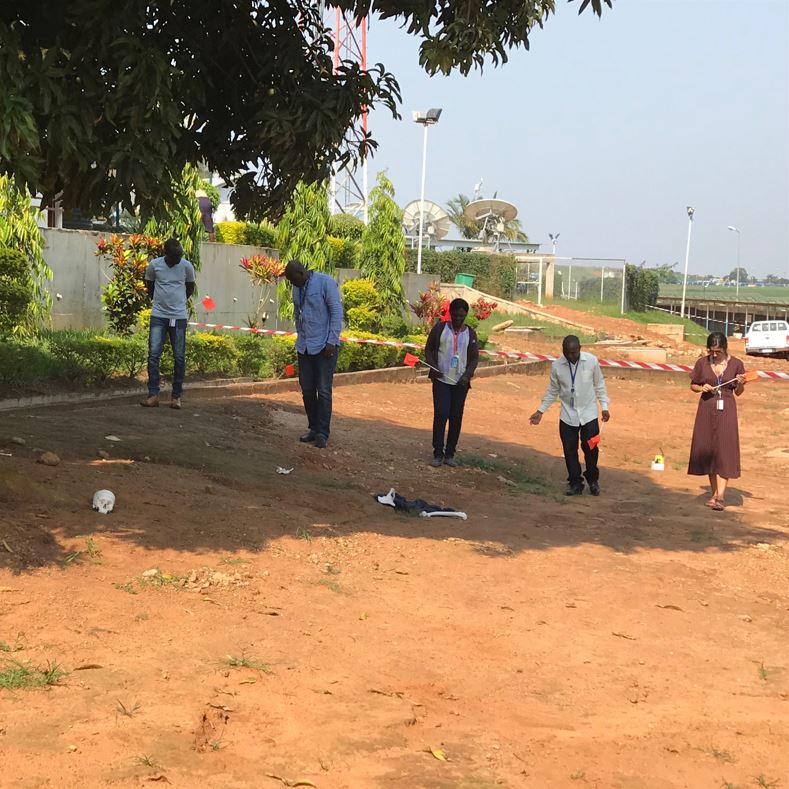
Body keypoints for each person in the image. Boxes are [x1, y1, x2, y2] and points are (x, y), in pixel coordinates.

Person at [529, 335, 610, 496]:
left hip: (589, 413)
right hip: (568, 414)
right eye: (568, 353)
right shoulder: (557, 366)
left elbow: (599, 385)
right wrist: (540, 411)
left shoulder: (592, 361)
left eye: (574, 352)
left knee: (590, 448)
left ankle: (593, 480)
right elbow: (553, 390)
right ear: (563, 351)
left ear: (580, 348)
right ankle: (575, 483)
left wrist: (605, 407)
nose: (571, 357)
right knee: (569, 450)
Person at [284, 259, 343, 449]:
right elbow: (297, 313)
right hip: (305, 346)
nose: (293, 285)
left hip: (325, 346)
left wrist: (331, 341)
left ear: (301, 273)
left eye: (294, 280)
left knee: (324, 390)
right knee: (307, 389)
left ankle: (322, 433)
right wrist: (299, 335)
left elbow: (336, 312)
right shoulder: (297, 288)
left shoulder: (325, 282)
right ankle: (313, 427)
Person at [687, 331, 748, 511]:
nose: (714, 354)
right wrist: (701, 387)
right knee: (709, 449)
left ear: (725, 349)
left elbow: (738, 392)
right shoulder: (702, 363)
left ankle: (721, 496)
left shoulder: (737, 364)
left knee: (724, 450)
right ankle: (714, 494)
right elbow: (693, 385)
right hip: (706, 408)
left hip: (726, 410)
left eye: (718, 351)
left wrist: (741, 383)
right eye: (711, 351)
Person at [140, 238, 196, 410]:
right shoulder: (154, 265)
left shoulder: (187, 266)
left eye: (180, 256)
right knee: (153, 354)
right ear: (166, 254)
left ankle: (176, 396)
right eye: (175, 257)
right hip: (158, 316)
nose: (178, 259)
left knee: (179, 356)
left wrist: (177, 303)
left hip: (178, 317)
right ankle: (153, 394)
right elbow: (149, 285)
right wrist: (161, 302)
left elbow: (190, 288)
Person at [424, 298, 480, 467]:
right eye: (455, 315)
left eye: (461, 316)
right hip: (441, 380)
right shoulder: (440, 329)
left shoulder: (470, 334)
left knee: (456, 417)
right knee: (441, 414)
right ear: (450, 314)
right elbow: (428, 349)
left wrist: (467, 375)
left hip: (460, 383)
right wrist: (434, 367)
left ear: (466, 315)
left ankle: (450, 454)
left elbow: (474, 358)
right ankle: (437, 453)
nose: (458, 319)